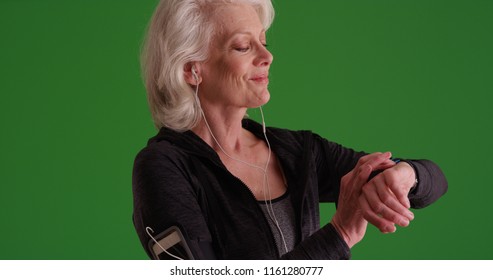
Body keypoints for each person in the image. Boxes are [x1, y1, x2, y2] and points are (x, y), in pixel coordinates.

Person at [132, 0, 448, 260]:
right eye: (243, 46)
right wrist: (340, 234)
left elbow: (435, 180)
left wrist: (404, 175)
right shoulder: (163, 167)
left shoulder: (298, 151)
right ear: (192, 69)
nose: (267, 56)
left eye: (264, 42)